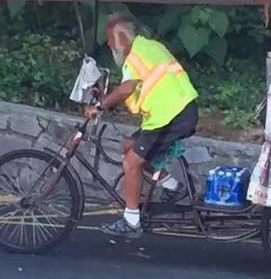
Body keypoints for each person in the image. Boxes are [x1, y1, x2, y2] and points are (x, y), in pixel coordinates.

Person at [84, 15, 199, 238]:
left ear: (122, 39)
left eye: (110, 42)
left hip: (172, 114)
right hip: (169, 113)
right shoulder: (150, 47)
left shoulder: (135, 56)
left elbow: (127, 88)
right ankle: (174, 187)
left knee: (131, 162)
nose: (110, 47)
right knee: (129, 146)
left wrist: (100, 105)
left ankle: (131, 220)